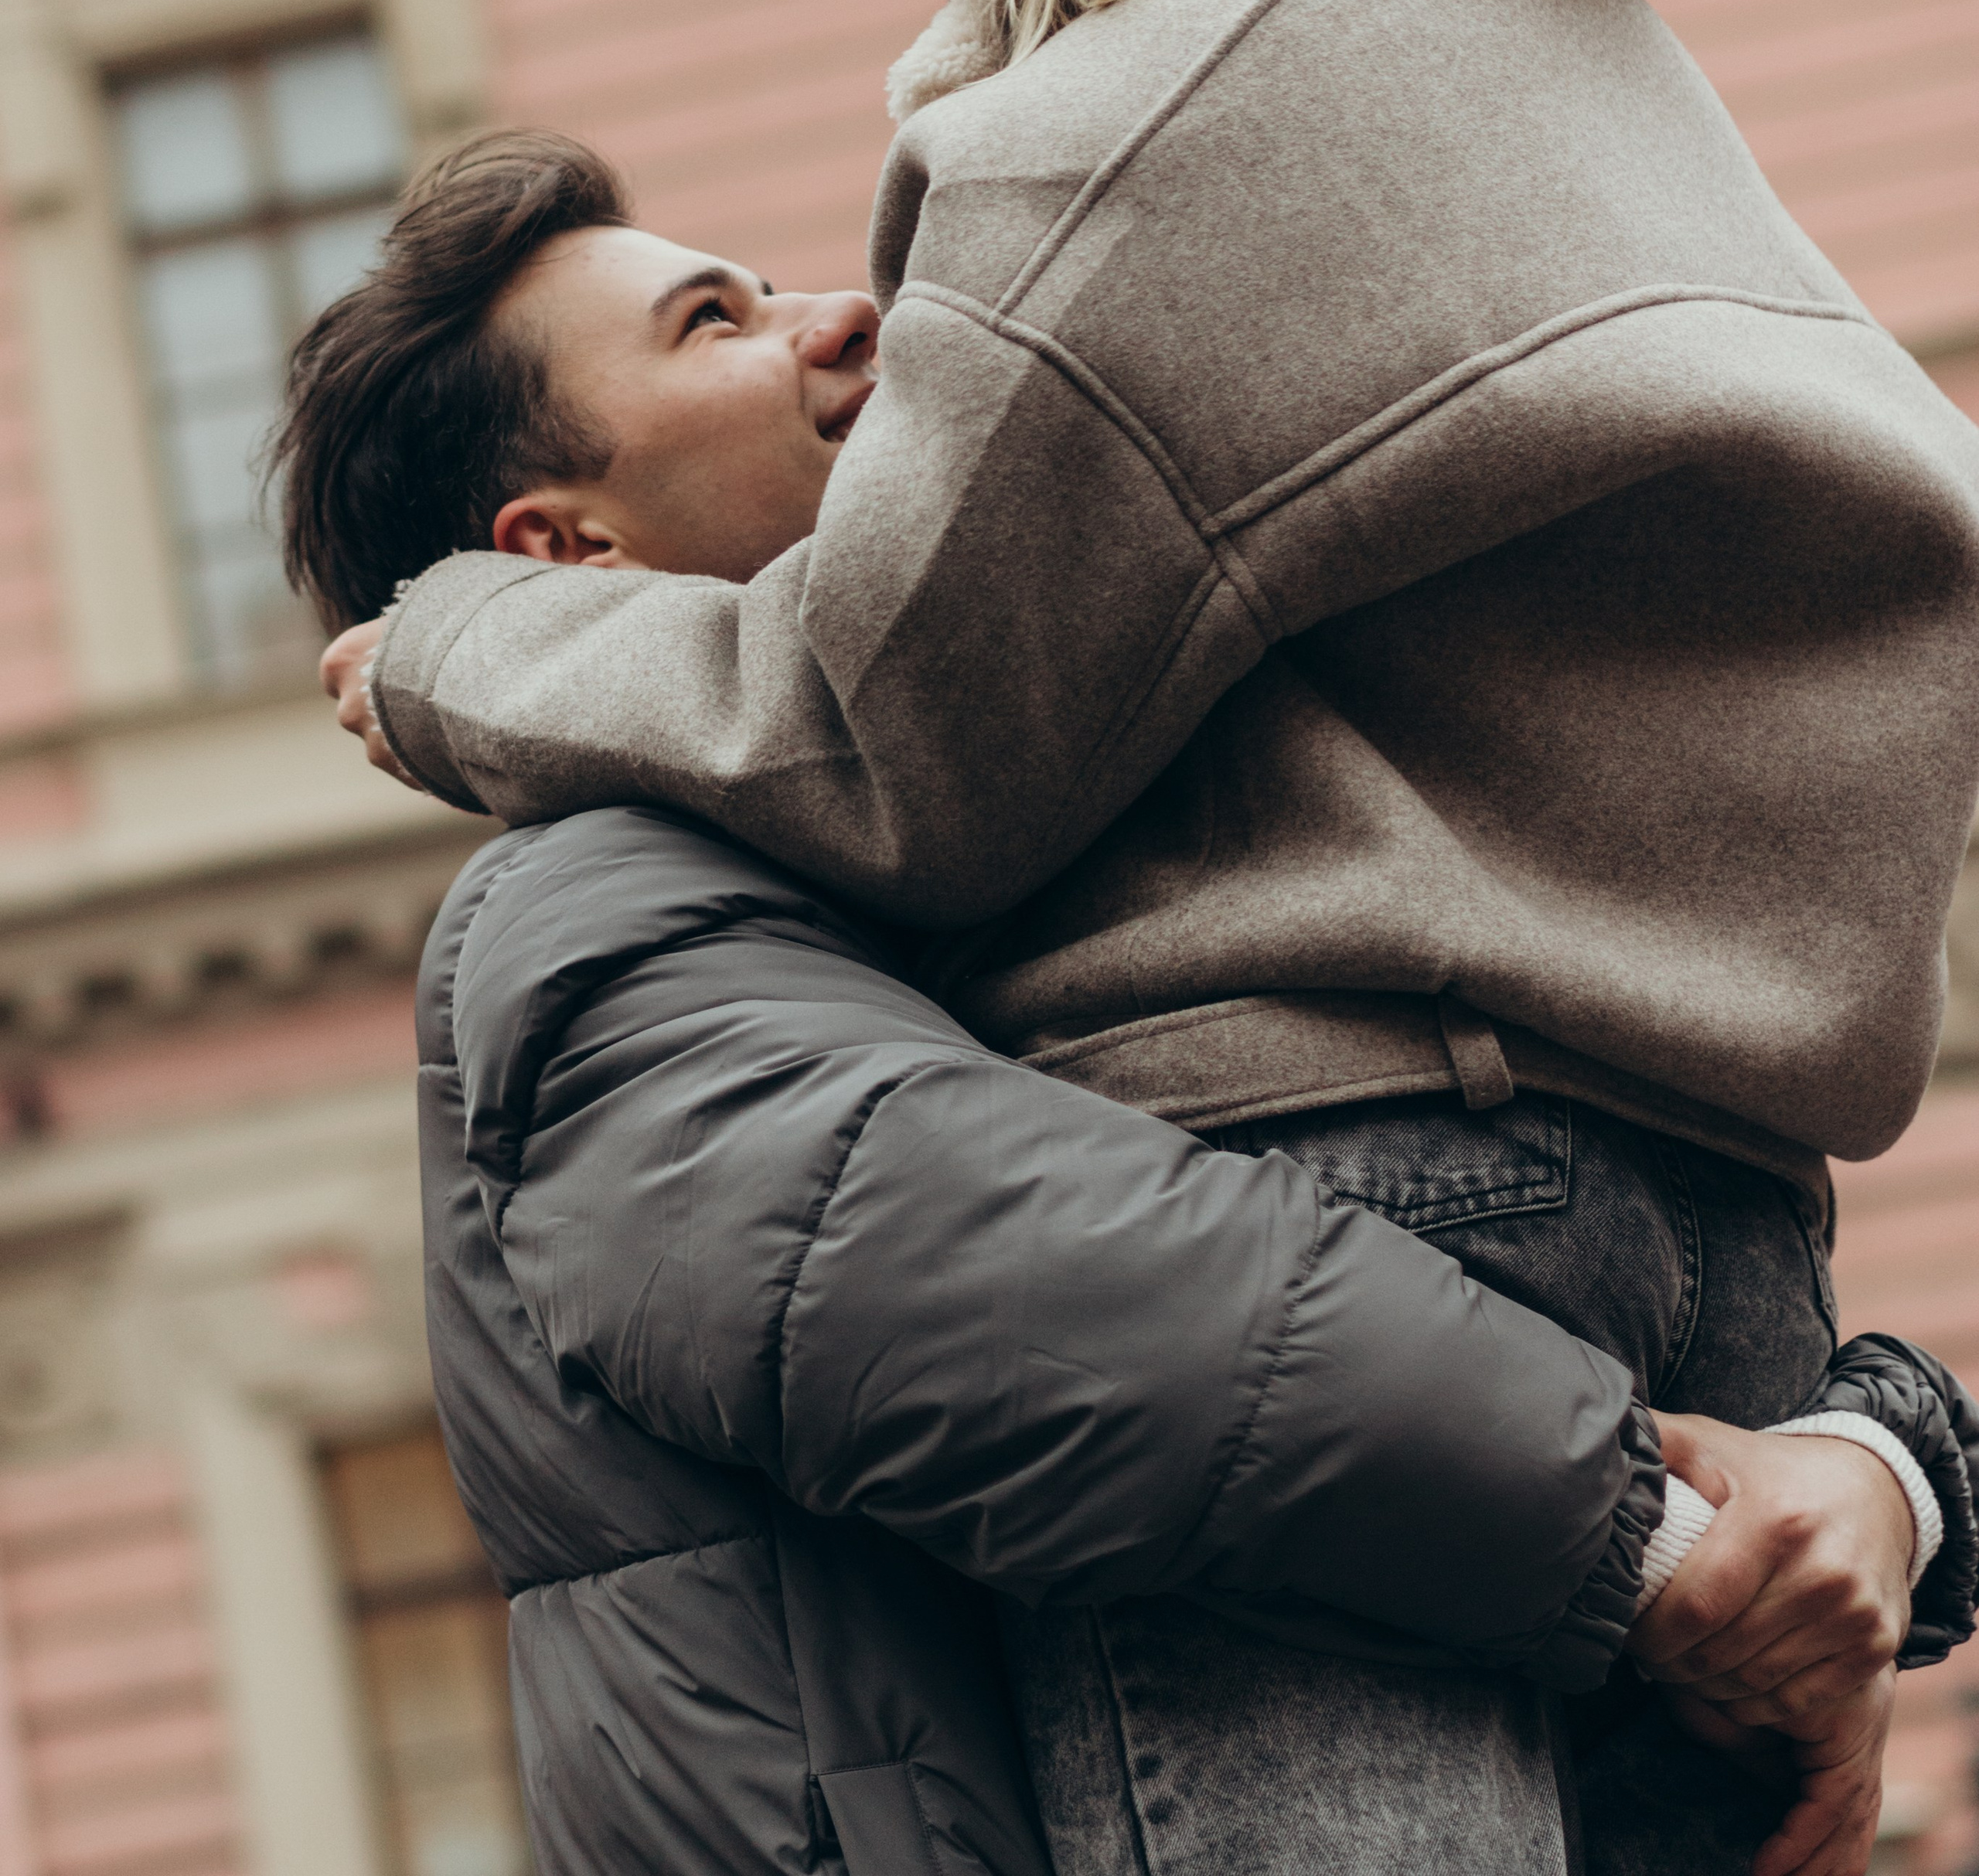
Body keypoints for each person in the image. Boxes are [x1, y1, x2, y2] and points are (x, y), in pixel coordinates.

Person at [316, 0, 1979, 1871]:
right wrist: (1870, 1458)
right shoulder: (1574, 50)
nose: (847, 318)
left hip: (1369, 1168)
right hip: (1719, 1222)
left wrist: (446, 649)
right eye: (718, 317)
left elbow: (889, 746)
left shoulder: (1113, 127)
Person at [292, 134, 1977, 1876]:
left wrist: (1880, 1458)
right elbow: (1047, 1301)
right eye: (716, 322)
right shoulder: (598, 909)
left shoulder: (974, 852)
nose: (846, 314)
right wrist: (1659, 1545)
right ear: (564, 552)